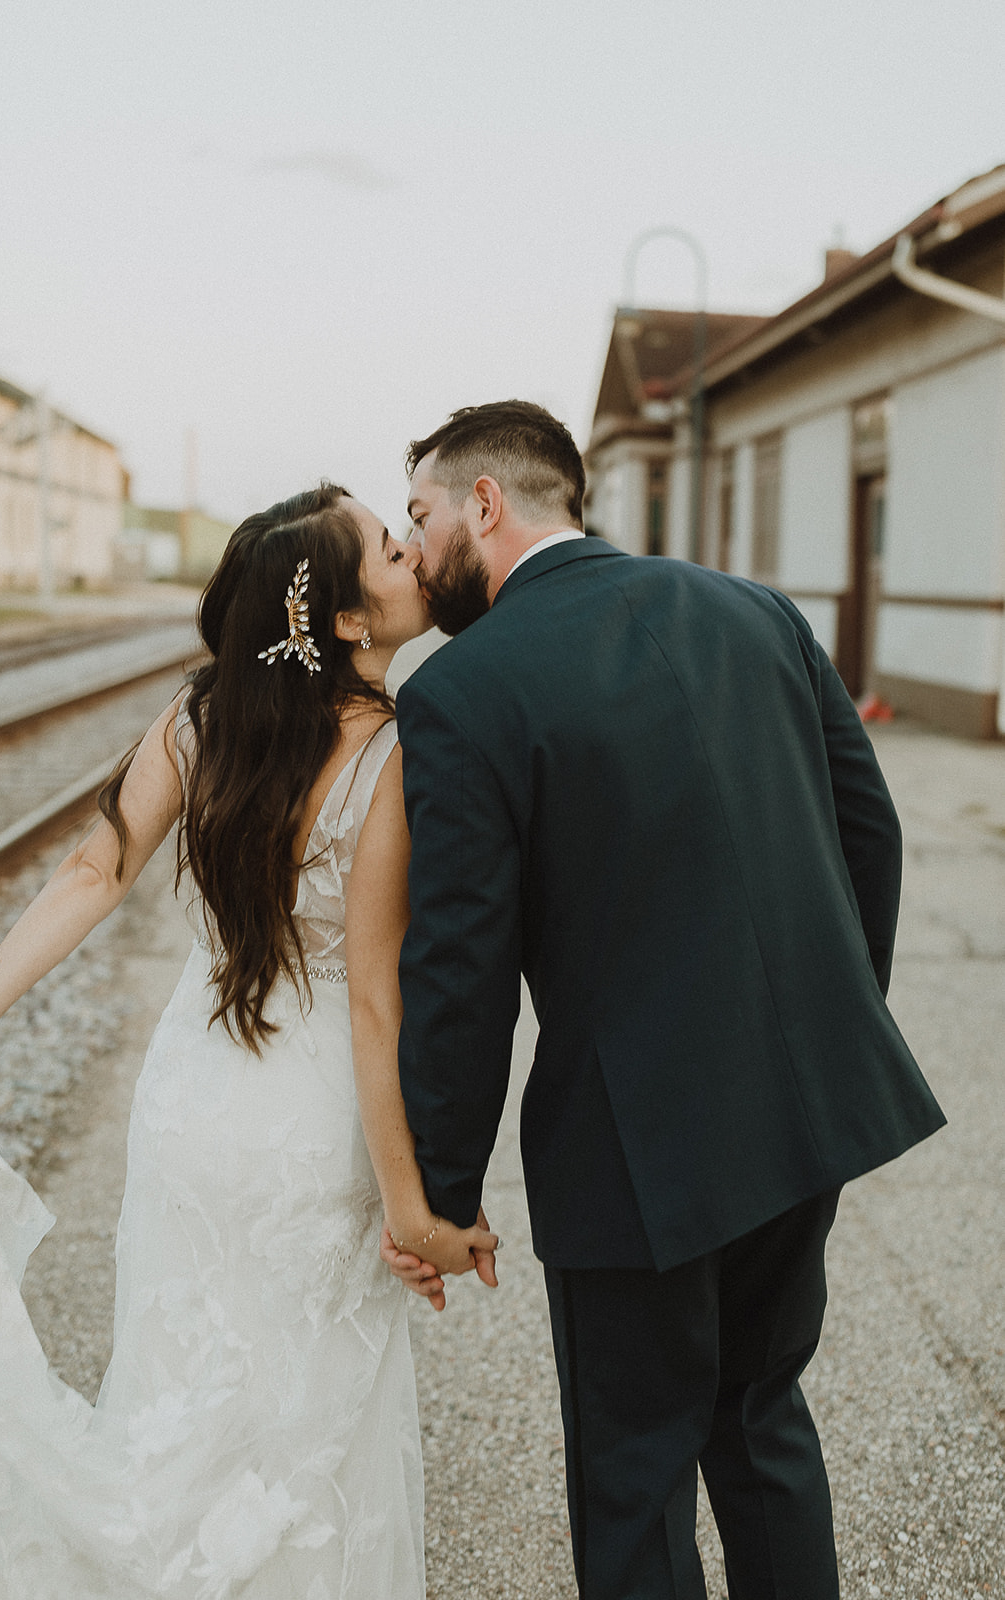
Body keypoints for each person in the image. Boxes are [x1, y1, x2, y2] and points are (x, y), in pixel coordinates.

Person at [382, 401, 946, 1600]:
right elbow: (869, 833)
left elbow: (459, 966)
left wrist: (440, 1188)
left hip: (630, 1148)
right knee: (760, 1422)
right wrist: (828, 1033)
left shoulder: (461, 689)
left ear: (484, 502)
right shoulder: (755, 610)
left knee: (633, 1472)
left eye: (419, 515)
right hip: (799, 1114)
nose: (413, 547)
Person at [0, 484, 495, 1600]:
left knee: (178, 1388)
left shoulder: (201, 718)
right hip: (309, 1123)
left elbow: (92, 869)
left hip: (192, 1101)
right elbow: (371, 999)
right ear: (346, 619)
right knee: (307, 1421)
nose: (412, 551)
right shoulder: (392, 755)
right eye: (391, 549)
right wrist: (412, 1210)